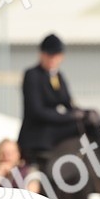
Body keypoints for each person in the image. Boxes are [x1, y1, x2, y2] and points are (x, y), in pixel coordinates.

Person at [17, 34, 88, 174]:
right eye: (48, 55)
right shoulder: (32, 75)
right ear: (41, 55)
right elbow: (37, 111)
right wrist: (70, 117)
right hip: (38, 131)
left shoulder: (58, 76)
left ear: (61, 57)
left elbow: (68, 103)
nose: (51, 59)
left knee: (89, 123)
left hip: (54, 126)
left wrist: (85, 113)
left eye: (55, 55)